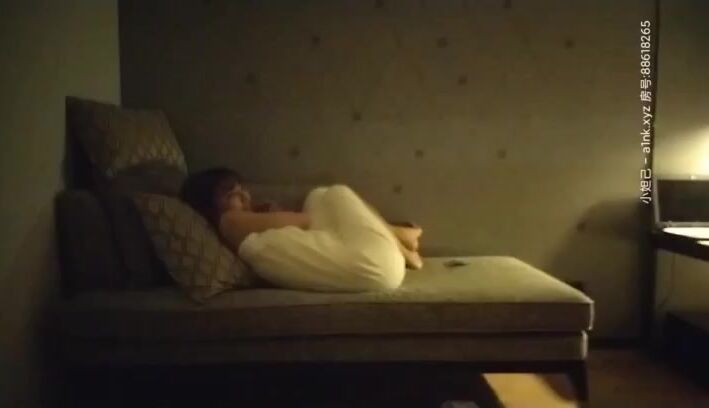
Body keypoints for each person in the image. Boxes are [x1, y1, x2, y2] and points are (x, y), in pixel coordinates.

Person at [180, 167, 423, 292]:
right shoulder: (229, 221)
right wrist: (268, 215)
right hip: (376, 262)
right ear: (210, 207)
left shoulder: (241, 233)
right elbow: (304, 221)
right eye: (230, 193)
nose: (243, 195)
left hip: (377, 268)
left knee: (318, 196)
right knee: (334, 192)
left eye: (242, 188)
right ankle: (398, 239)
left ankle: (395, 235)